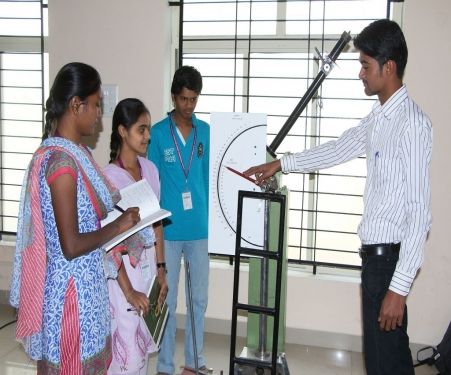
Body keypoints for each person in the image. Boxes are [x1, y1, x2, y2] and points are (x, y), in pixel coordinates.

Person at [244, 19, 432, 375]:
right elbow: (338, 149)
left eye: (365, 66)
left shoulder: (412, 124)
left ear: (388, 67)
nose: (360, 74)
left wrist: (400, 288)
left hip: (390, 263)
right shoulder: (378, 118)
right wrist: (281, 163)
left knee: (390, 361)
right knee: (379, 361)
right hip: (375, 263)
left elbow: (420, 213)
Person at [9, 62, 141, 373]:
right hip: (71, 297)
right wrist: (119, 226)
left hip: (87, 289)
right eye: (95, 105)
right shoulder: (61, 165)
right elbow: (70, 244)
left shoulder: (76, 154)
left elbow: (87, 225)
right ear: (75, 105)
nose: (98, 114)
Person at [148, 66, 211, 375]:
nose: (188, 105)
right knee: (167, 301)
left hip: (199, 228)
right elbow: (151, 182)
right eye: (184, 99)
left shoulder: (206, 132)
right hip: (169, 231)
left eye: (194, 99)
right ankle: (165, 366)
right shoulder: (158, 133)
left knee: (199, 299)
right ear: (174, 97)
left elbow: (207, 178)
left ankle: (196, 363)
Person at [103, 98, 168, 375]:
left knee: (143, 348)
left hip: (149, 267)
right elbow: (109, 244)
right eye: (141, 129)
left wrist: (162, 271)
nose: (148, 136)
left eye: (149, 129)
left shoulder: (151, 170)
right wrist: (128, 290)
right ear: (122, 131)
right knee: (126, 352)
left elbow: (158, 225)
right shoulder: (108, 178)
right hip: (123, 275)